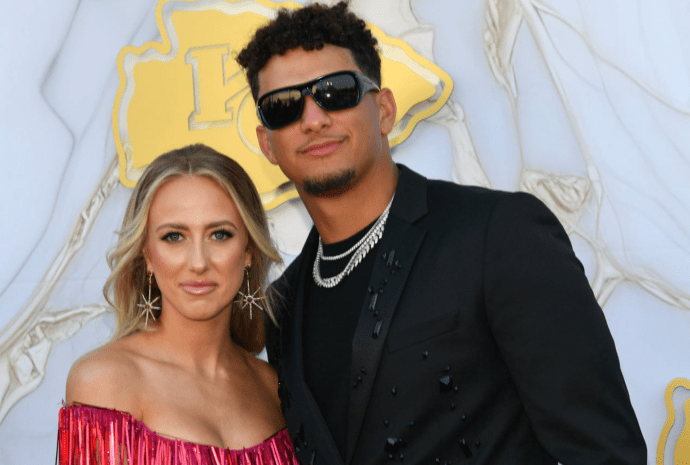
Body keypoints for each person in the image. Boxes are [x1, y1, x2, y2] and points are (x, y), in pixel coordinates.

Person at [235, 2, 647, 464]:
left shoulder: (497, 234)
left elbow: (602, 451)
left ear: (385, 110)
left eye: (335, 92)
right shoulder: (283, 308)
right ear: (267, 143)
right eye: (284, 106)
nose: (312, 118)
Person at [58, 144, 298, 464]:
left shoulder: (272, 385)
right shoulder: (102, 381)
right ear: (146, 254)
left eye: (220, 234)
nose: (198, 263)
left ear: (249, 251)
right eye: (174, 236)